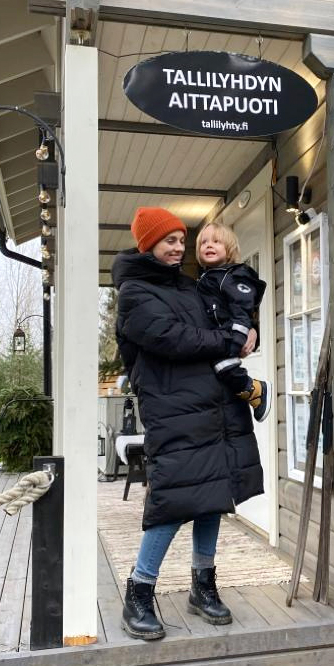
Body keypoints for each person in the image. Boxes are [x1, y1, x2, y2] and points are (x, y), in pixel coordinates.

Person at [112, 207, 264, 641]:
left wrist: (246, 330)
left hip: (213, 404)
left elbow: (227, 317)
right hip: (174, 408)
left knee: (212, 495)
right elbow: (171, 338)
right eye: (170, 241)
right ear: (148, 244)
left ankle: (203, 585)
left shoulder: (191, 285)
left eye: (182, 239)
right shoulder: (135, 293)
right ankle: (139, 592)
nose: (180, 247)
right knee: (174, 500)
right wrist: (228, 339)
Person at [196, 222, 271, 422]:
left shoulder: (232, 276)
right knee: (220, 367)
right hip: (216, 335)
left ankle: (256, 390)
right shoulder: (206, 278)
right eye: (203, 243)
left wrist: (238, 338)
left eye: (216, 241)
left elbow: (242, 308)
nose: (208, 245)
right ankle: (253, 391)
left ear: (229, 249)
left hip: (229, 335)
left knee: (223, 366)